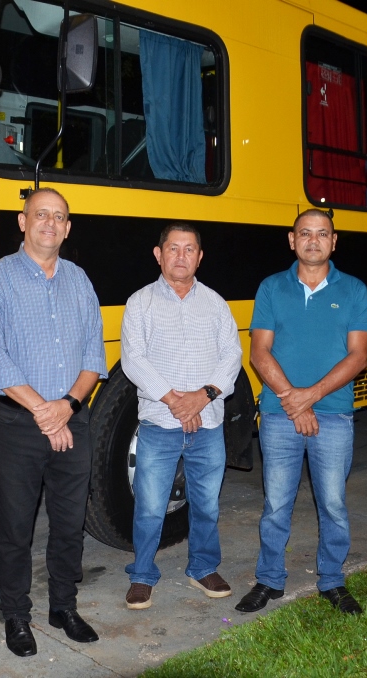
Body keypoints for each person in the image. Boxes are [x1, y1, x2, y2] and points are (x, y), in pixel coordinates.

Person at [0, 187, 107, 657]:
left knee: (70, 524)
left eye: (59, 216)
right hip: (19, 428)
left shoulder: (79, 280)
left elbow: (94, 355)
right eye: (41, 214)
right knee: (16, 528)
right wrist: (46, 414)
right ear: (23, 221)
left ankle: (63, 607)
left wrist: (66, 406)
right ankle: (16, 615)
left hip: (73, 419)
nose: (50, 223)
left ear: (67, 228)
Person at [235, 209, 367, 615]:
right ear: (292, 240)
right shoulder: (271, 287)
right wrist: (293, 401)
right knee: (276, 504)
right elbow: (259, 352)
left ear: (334, 241)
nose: (314, 241)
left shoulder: (354, 290)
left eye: (322, 234)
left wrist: (308, 397)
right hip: (280, 414)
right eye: (306, 233)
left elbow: (359, 356)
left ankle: (332, 580)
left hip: (333, 415)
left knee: (333, 504)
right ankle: (269, 579)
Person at [120, 223, 243, 610]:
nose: (181, 256)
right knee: (150, 506)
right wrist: (176, 401)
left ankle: (202, 568)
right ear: (159, 254)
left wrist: (201, 397)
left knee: (207, 505)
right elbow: (133, 359)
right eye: (173, 248)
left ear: (199, 257)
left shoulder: (216, 304)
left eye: (189, 249)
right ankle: (142, 574)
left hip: (208, 424)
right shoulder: (140, 303)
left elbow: (232, 356)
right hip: (160, 423)